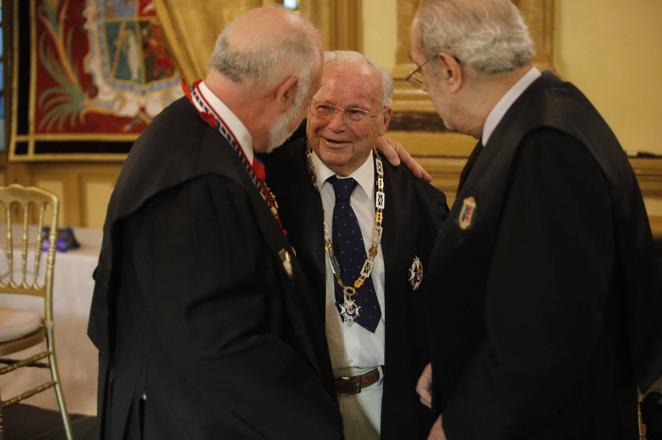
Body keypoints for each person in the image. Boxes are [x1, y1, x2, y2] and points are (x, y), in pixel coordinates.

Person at [87, 7, 344, 439]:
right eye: (311, 100)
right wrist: (317, 422)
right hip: (189, 418)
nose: (306, 118)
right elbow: (222, 347)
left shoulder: (189, 125)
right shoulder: (197, 187)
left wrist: (370, 147)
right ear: (286, 93)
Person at [409, 0, 662, 439]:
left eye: (419, 72)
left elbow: (546, 338)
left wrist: (462, 425)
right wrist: (454, 362)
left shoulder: (546, 145)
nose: (424, 87)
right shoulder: (538, 113)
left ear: (449, 70)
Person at [266, 50, 448, 439]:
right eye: (324, 107)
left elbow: (449, 307)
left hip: (397, 404)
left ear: (384, 119)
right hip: (300, 407)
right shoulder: (270, 184)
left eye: (356, 112)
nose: (336, 125)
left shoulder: (418, 197)